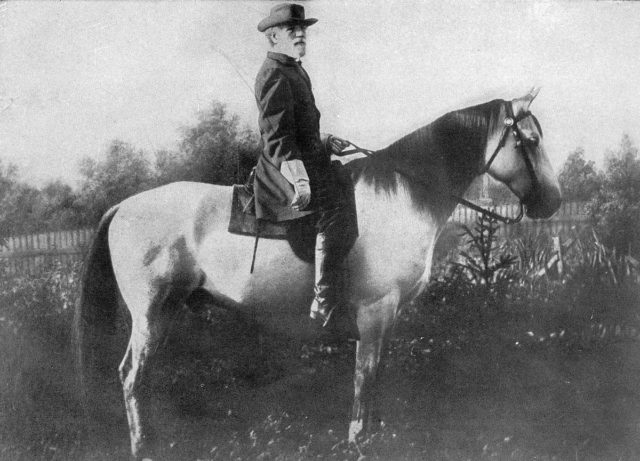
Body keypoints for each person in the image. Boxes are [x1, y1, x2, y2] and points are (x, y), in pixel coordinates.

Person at [254, 3, 358, 339]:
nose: (301, 35)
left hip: (304, 158)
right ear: (273, 36)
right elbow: (277, 137)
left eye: (303, 29)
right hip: (282, 168)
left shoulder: (295, 70)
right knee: (333, 206)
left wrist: (326, 142)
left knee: (344, 180)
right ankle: (325, 302)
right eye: (292, 30)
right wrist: (299, 178)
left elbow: (300, 127)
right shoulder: (273, 73)